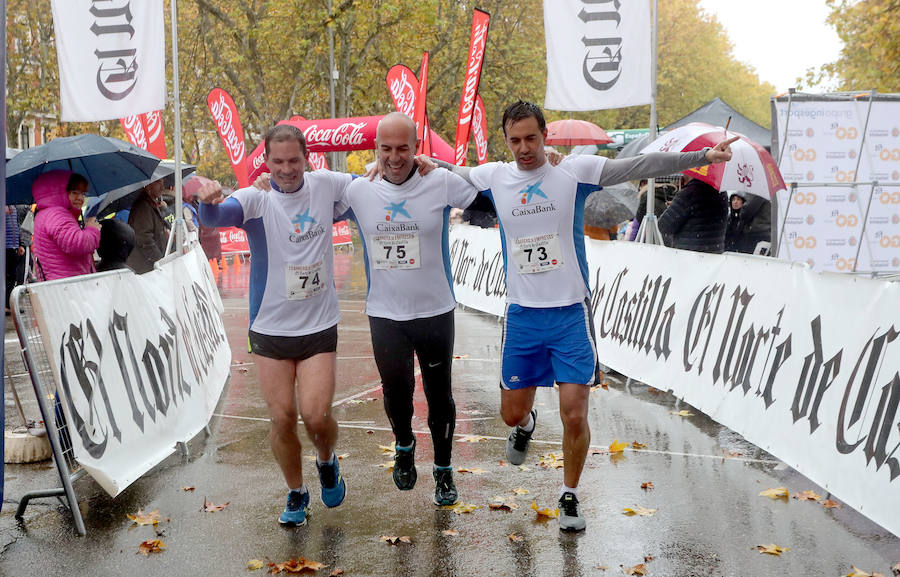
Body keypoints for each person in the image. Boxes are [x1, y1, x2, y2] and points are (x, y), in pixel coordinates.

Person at [437, 100, 736, 532]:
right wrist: (414, 159)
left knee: (575, 412)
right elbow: (450, 175)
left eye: (532, 139)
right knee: (510, 414)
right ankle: (526, 425)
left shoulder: (572, 173)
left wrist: (701, 158)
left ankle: (570, 496)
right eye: (515, 140)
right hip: (522, 315)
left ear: (546, 137)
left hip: (571, 315)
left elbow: (639, 164)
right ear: (506, 140)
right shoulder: (495, 177)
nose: (524, 148)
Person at [196, 124, 350, 527]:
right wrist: (206, 198)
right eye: (277, 161)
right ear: (265, 161)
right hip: (270, 329)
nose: (285, 169)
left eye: (293, 161)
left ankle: (327, 459)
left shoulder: (326, 186)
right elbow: (216, 214)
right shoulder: (255, 198)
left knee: (316, 417)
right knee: (281, 417)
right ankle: (297, 493)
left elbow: (377, 186)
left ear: (307, 159)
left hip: (318, 326)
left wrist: (416, 164)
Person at [337, 113, 474, 506]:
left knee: (439, 395)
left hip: (434, 312)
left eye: (403, 148)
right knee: (397, 394)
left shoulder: (439, 182)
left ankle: (444, 471)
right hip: (385, 314)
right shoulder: (358, 191)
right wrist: (263, 181)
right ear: (375, 149)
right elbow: (302, 193)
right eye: (385, 149)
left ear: (416, 148)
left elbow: (490, 192)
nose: (394, 158)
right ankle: (404, 444)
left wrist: (445, 164)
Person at [31, 171, 101, 281]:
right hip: (68, 288)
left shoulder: (46, 212)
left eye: (82, 193)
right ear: (59, 192)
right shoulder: (57, 214)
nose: (80, 198)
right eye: (74, 192)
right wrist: (92, 229)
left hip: (62, 284)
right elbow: (77, 244)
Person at [658, 175, 729, 253]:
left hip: (689, 256)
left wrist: (675, 206)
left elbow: (664, 226)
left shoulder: (688, 193)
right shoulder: (722, 193)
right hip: (715, 254)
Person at [126, 177, 171, 273]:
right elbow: (144, 239)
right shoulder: (143, 206)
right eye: (159, 182)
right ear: (148, 185)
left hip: (149, 267)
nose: (162, 187)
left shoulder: (150, 204)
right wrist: (160, 260)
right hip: (145, 269)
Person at [5, 206, 25, 312]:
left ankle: (8, 305)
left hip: (13, 247)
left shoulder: (13, 207)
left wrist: (20, 244)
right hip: (4, 247)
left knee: (12, 277)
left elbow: (17, 226)